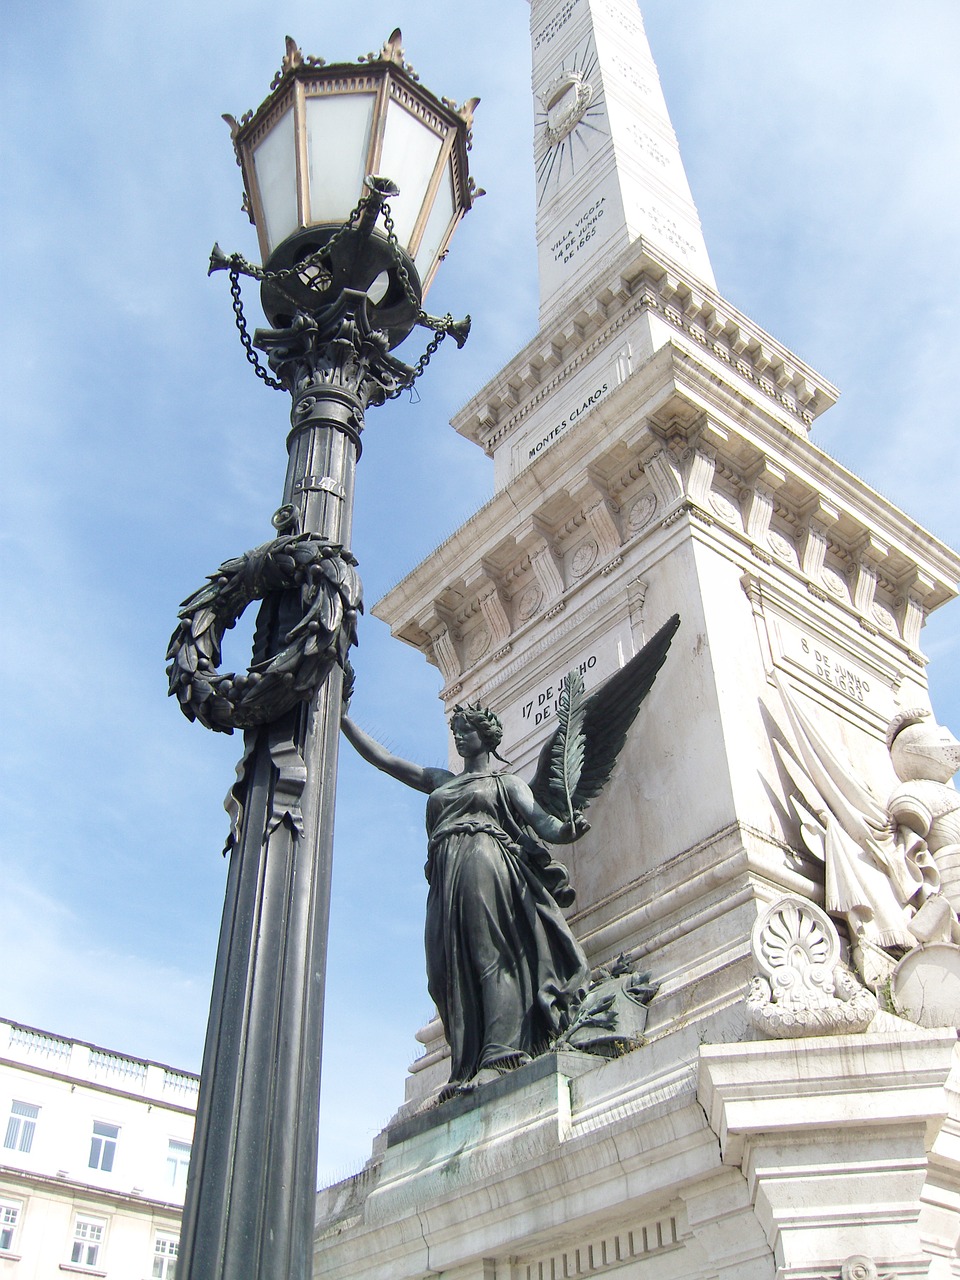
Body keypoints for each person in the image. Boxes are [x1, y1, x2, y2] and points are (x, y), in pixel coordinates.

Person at [341, 701, 591, 1094]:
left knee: (489, 955)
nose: (457, 735)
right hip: (446, 875)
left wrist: (566, 831)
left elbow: (544, 823)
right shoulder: (442, 780)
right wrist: (342, 719)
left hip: (486, 866)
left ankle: (500, 1054)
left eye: (465, 729)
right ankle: (468, 1060)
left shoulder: (505, 784)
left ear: (486, 736)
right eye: (454, 729)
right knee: (443, 968)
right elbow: (386, 760)